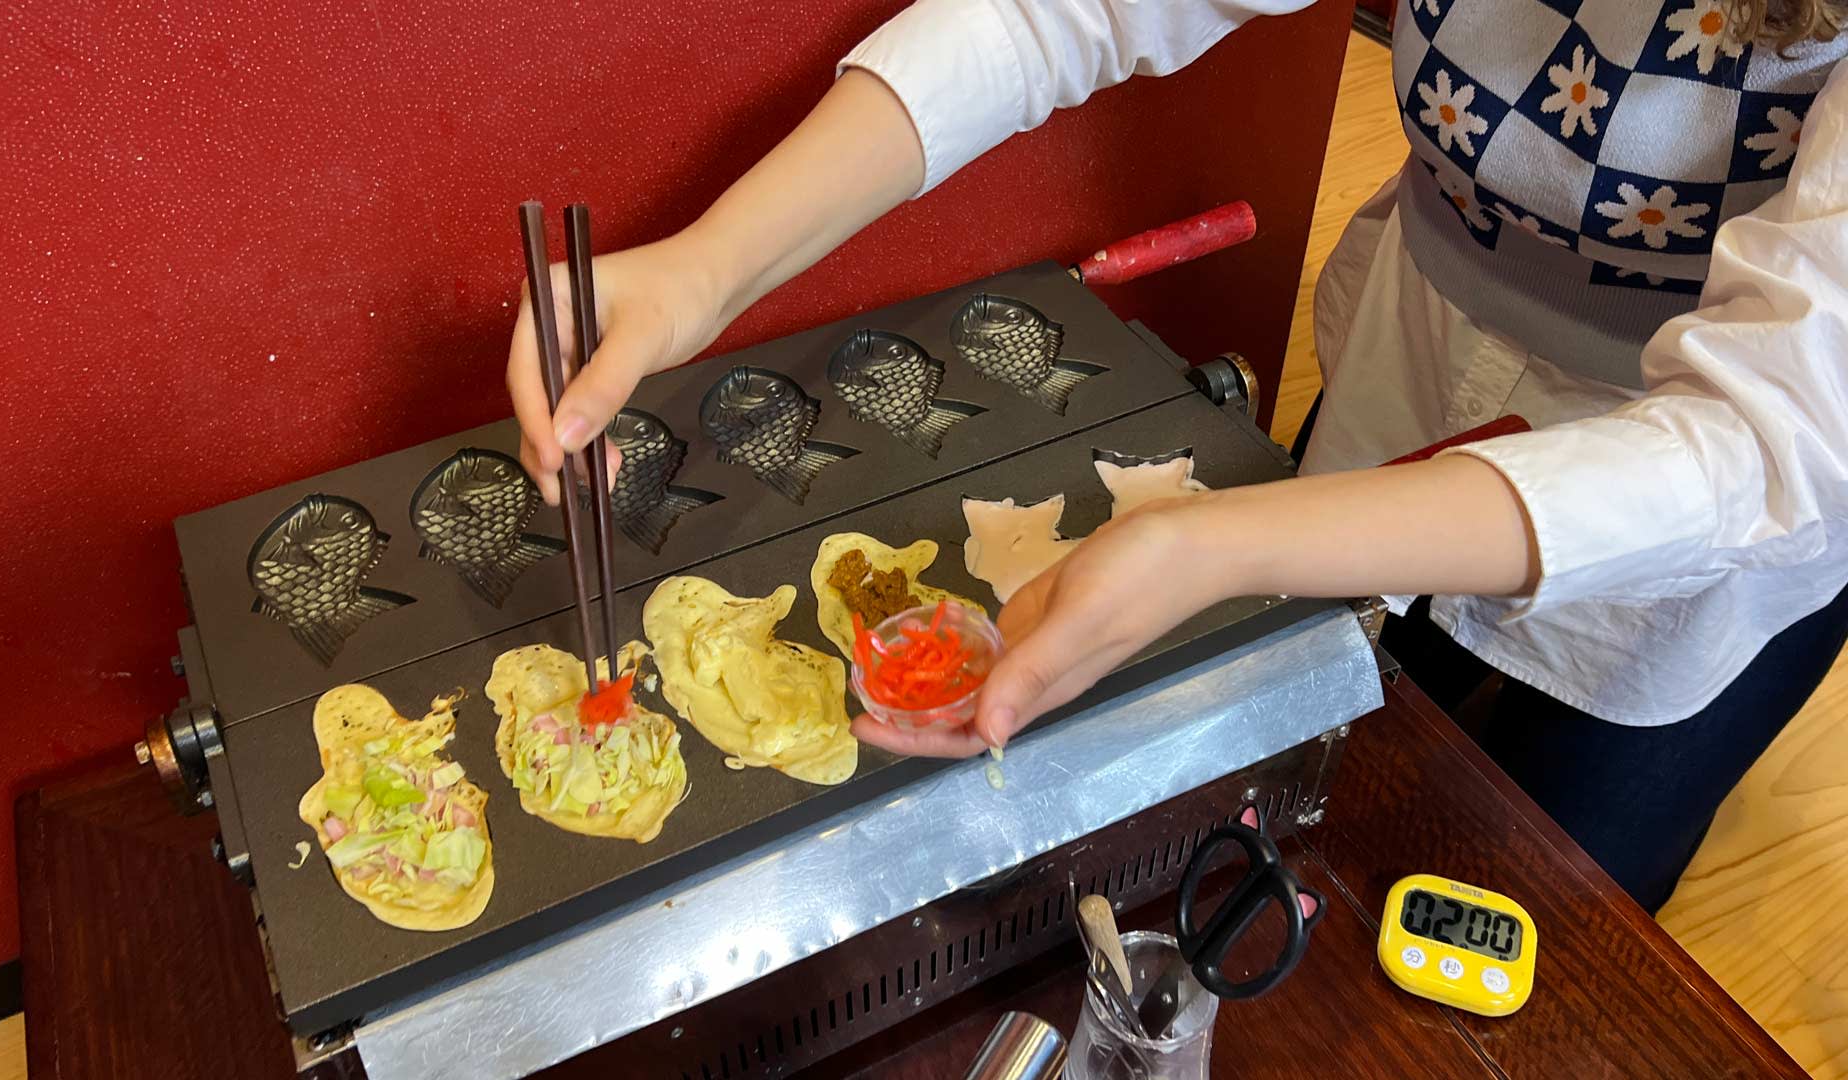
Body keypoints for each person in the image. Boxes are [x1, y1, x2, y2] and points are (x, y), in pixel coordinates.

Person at [507, 0, 1848, 911]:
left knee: (1551, 879)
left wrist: (1213, 544)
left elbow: (1765, 439)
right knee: (1337, 752)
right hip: (1422, 350)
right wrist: (706, 268)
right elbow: (1061, 12)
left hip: (1708, 498)